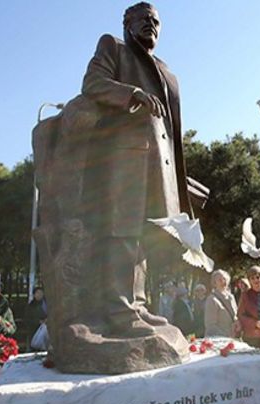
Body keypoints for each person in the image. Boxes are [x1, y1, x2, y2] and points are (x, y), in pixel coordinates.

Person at [75, 1, 192, 337]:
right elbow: (93, 83)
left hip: (159, 164)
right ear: (127, 22)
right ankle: (118, 310)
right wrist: (132, 94)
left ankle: (136, 304)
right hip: (123, 158)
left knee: (141, 234)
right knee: (121, 231)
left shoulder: (167, 71)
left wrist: (179, 179)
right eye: (142, 18)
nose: (150, 24)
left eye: (155, 20)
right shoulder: (114, 47)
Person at [236, 265, 260, 348]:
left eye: (258, 277)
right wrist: (255, 323)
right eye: (252, 278)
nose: (255, 280)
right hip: (252, 337)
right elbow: (240, 315)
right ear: (249, 280)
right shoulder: (245, 295)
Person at [204, 270, 238, 337]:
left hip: (232, 337)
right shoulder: (211, 300)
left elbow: (235, 316)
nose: (223, 282)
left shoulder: (231, 297)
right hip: (218, 339)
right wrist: (225, 336)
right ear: (214, 283)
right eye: (220, 280)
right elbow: (210, 325)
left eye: (224, 279)